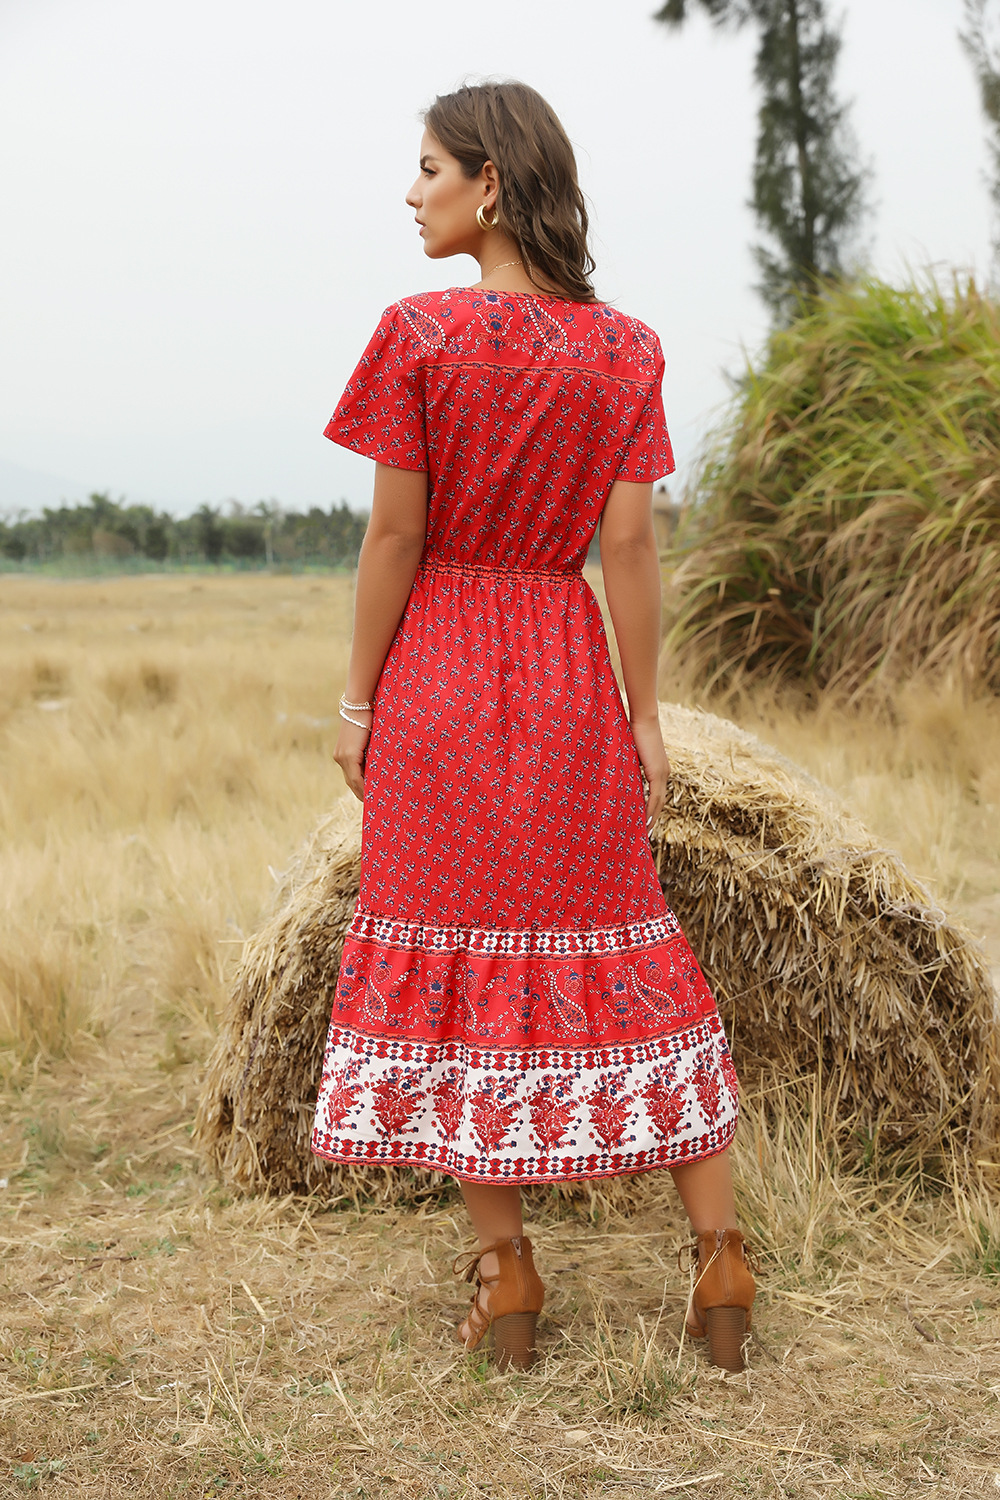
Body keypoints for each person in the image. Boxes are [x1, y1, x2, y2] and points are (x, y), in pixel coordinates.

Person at [311, 80, 756, 1374]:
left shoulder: (419, 335)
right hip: (567, 680)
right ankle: (719, 1258)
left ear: (490, 183)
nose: (413, 193)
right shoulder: (629, 350)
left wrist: (358, 702)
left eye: (430, 169)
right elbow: (628, 543)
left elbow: (396, 534)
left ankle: (507, 1281)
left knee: (455, 971)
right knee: (628, 952)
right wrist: (646, 715)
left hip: (446, 676)